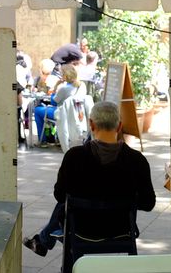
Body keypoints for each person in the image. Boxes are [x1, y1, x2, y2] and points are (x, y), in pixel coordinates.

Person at [23, 101, 155, 257]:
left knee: (66, 202)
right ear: (119, 127)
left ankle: (45, 243)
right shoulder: (137, 160)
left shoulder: (74, 157)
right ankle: (42, 241)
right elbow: (148, 203)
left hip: (80, 228)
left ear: (91, 125)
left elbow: (59, 195)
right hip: (120, 229)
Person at [33, 58, 61, 144]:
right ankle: (50, 137)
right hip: (55, 107)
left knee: (37, 110)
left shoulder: (53, 80)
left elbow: (53, 99)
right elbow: (34, 89)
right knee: (40, 109)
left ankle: (43, 140)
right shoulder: (39, 79)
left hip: (55, 108)